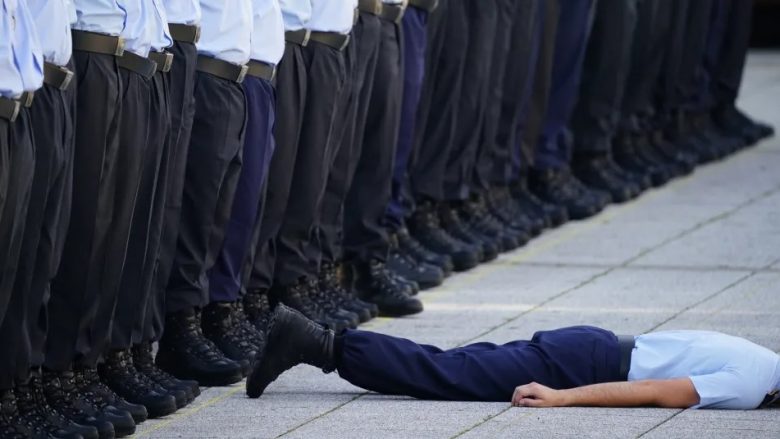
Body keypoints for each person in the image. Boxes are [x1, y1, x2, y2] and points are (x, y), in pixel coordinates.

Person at [248, 305, 780, 411]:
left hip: (593, 345)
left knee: (455, 365)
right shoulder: (752, 383)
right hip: (584, 366)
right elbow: (653, 392)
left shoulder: (759, 358)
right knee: (446, 373)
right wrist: (563, 398)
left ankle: (318, 342)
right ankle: (319, 343)